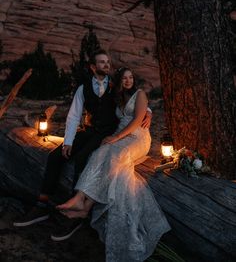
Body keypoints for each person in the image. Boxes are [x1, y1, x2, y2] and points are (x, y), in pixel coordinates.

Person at [13, 50, 152, 242]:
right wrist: (68, 142)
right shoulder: (83, 88)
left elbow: (133, 101)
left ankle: (75, 214)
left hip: (106, 134)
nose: (106, 65)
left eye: (107, 62)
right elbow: (73, 115)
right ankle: (42, 204)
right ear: (93, 67)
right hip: (89, 130)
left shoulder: (115, 86)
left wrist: (149, 112)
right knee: (56, 156)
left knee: (82, 159)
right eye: (102, 62)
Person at [57, 67, 171, 262]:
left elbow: (137, 120)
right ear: (119, 81)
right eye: (124, 78)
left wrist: (120, 134)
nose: (128, 81)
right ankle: (81, 200)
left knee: (115, 156)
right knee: (100, 153)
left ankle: (84, 203)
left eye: (130, 77)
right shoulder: (117, 97)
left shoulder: (140, 94)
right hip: (120, 137)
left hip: (137, 139)